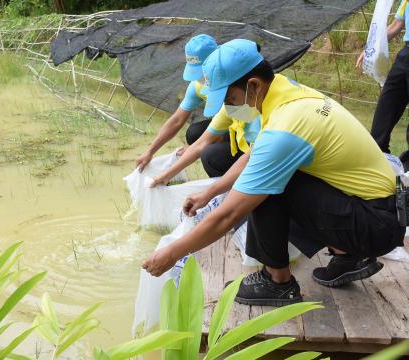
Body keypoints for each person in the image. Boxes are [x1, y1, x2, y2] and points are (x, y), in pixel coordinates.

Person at [143, 39, 405, 307]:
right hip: (384, 210)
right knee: (269, 174)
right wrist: (208, 194)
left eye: (231, 99)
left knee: (263, 189)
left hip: (377, 225)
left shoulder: (285, 128)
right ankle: (347, 254)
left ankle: (276, 281)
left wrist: (172, 253)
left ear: (254, 85)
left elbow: (230, 214)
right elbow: (254, 155)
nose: (230, 107)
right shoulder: (288, 92)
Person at [136, 34, 217, 171]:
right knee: (194, 133)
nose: (199, 76)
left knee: (212, 154)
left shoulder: (232, 83)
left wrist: (196, 147)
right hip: (225, 125)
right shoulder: (197, 85)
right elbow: (177, 120)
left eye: (202, 70)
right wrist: (150, 151)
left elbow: (228, 126)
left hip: (248, 128)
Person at [356, 0, 408, 156]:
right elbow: (396, 24)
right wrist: (371, 47)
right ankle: (380, 158)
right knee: (386, 107)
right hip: (406, 56)